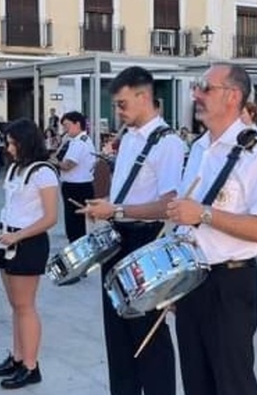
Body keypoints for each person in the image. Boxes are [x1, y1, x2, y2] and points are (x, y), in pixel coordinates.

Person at [166, 63, 257, 395]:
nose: (196, 95)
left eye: (205, 88)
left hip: (229, 283)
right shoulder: (200, 147)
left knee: (232, 384)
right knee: (196, 382)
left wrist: (203, 213)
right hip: (193, 279)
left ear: (232, 96)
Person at [75, 66, 184, 395]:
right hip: (119, 236)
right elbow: (132, 192)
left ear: (144, 96)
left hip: (145, 240)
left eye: (122, 104)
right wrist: (106, 204)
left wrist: (117, 209)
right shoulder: (128, 138)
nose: (118, 111)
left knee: (147, 333)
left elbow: (168, 205)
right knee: (117, 333)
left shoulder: (168, 143)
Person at [0, 119, 59, 389]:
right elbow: (13, 207)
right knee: (16, 306)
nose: (9, 148)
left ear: (26, 142)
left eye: (13, 143)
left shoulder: (43, 172)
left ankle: (30, 365)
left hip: (29, 242)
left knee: (25, 306)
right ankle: (17, 358)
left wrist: (18, 235)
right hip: (8, 239)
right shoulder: (15, 168)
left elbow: (50, 218)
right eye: (8, 142)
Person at [54, 111, 96, 243]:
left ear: (77, 124)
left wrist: (52, 162)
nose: (65, 130)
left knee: (75, 225)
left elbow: (68, 165)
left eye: (67, 125)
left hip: (77, 187)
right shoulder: (76, 141)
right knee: (74, 223)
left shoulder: (80, 142)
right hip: (75, 185)